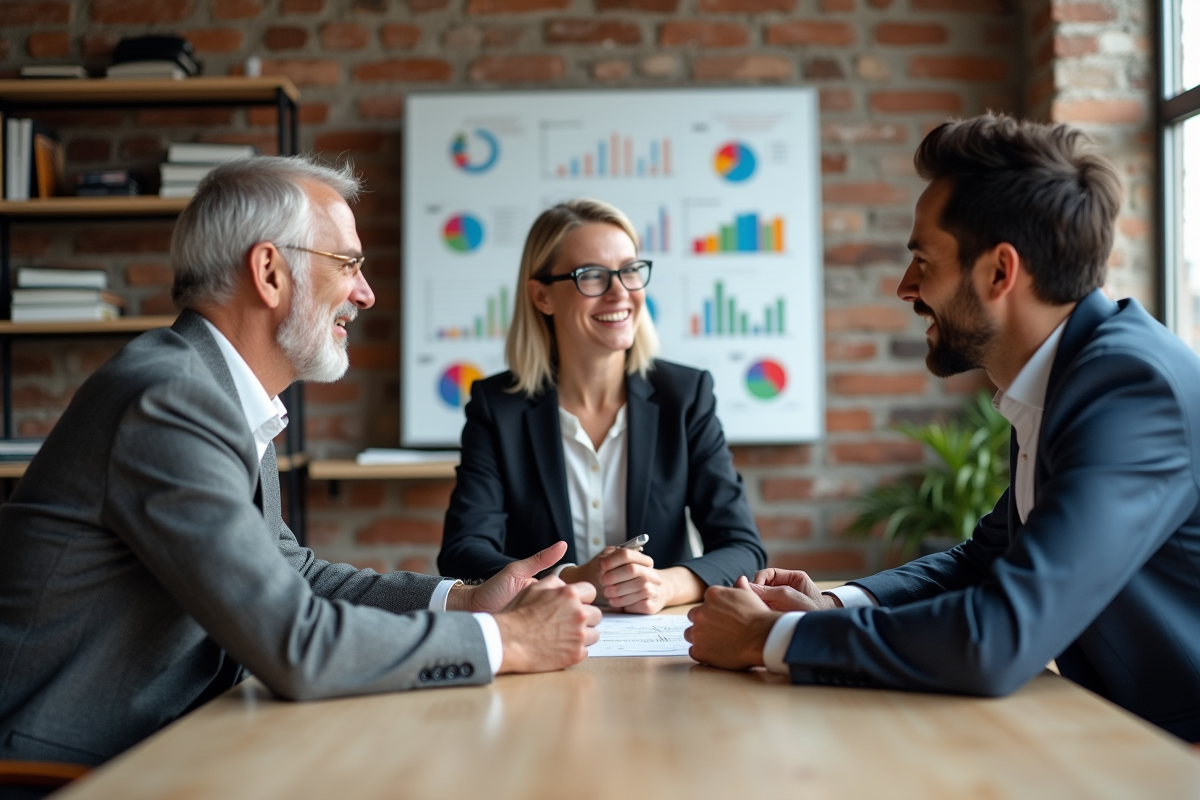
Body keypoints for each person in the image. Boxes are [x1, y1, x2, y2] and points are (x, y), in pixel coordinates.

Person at [0, 156, 601, 767]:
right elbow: (295, 642)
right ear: (269, 272)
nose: (365, 294)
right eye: (348, 264)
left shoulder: (216, 391)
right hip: (67, 767)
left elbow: (293, 576)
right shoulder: (169, 398)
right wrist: (508, 639)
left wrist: (467, 602)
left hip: (172, 741)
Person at [685, 114, 1200, 743]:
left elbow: (1002, 634)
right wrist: (837, 603)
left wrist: (770, 638)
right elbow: (988, 560)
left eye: (923, 261)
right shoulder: (1065, 371)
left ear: (999, 273)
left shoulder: (1125, 389)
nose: (906, 288)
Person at [438, 199, 766, 614]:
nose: (620, 293)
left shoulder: (684, 395)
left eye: (630, 271)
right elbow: (462, 552)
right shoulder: (497, 407)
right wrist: (573, 579)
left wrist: (665, 585)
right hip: (542, 631)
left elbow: (743, 546)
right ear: (542, 297)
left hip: (657, 639)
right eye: (591, 275)